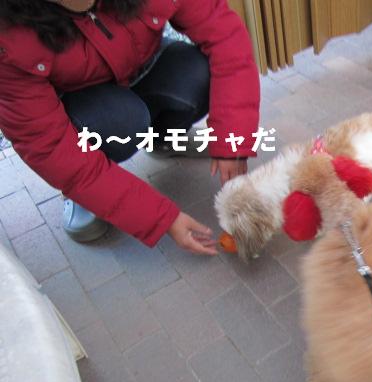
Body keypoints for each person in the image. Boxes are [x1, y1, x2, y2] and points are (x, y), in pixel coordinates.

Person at [0, 0, 260, 255]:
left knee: (197, 74)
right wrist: (159, 218)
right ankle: (83, 196)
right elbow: (49, 146)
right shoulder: (7, 39)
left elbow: (225, 36)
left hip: (141, 67)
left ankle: (165, 138)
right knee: (122, 121)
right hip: (84, 107)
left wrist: (233, 138)